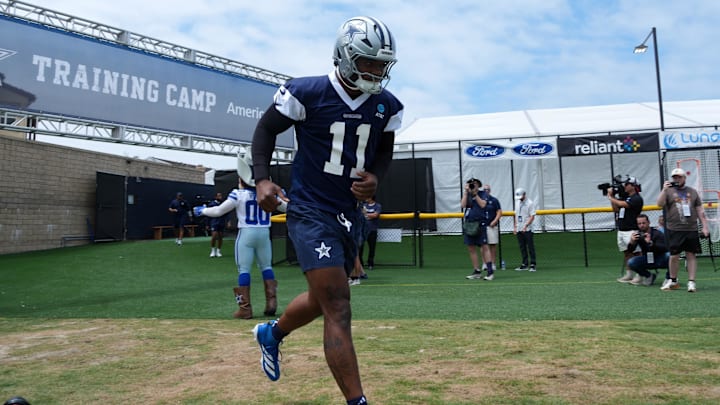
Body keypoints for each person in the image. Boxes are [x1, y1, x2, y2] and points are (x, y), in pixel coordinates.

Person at [249, 16, 402, 405]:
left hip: (349, 214)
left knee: (323, 299)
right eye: (368, 62)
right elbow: (266, 130)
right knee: (338, 305)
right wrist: (262, 179)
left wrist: (376, 178)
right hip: (311, 208)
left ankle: (273, 334)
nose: (376, 71)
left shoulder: (386, 105)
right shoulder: (308, 92)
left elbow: (384, 149)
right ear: (346, 56)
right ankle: (357, 401)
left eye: (381, 64)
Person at [194, 153, 287, 318]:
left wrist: (202, 211)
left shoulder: (238, 194)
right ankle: (271, 303)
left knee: (244, 269)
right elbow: (287, 208)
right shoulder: (268, 195)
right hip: (264, 233)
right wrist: (283, 199)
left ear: (242, 179)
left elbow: (218, 211)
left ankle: (245, 308)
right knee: (266, 267)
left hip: (246, 233)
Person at [657, 168, 710, 292]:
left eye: (679, 177)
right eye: (675, 177)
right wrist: (664, 190)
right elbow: (659, 204)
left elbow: (700, 210)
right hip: (674, 229)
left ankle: (691, 282)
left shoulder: (692, 192)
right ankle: (673, 280)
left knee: (691, 254)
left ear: (684, 178)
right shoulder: (668, 191)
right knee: (674, 256)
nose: (677, 179)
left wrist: (705, 226)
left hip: (691, 228)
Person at [609, 177, 644, 283]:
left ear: (633, 186)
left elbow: (622, 204)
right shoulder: (625, 197)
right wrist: (613, 197)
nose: (624, 186)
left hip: (632, 230)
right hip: (622, 229)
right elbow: (616, 208)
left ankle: (640, 274)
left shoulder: (636, 198)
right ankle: (629, 274)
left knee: (637, 252)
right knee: (627, 253)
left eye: (627, 184)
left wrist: (610, 196)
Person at [626, 214, 668, 286]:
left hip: (660, 258)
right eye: (639, 224)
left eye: (644, 223)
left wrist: (651, 243)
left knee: (669, 255)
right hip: (647, 259)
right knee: (631, 262)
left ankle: (669, 278)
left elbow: (664, 248)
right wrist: (631, 242)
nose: (642, 225)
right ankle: (649, 276)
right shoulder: (638, 235)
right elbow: (630, 251)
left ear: (649, 223)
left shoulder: (657, 233)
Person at [463, 178, 490, 280]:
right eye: (470, 184)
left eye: (474, 184)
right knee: (471, 248)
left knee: (484, 246)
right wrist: (466, 193)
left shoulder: (483, 194)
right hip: (469, 223)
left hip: (480, 223)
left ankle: (489, 270)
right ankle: (476, 270)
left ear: (478, 185)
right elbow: (463, 205)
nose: (472, 186)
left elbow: (483, 204)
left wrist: (475, 194)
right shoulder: (468, 194)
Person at [513, 188, 537, 271]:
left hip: (528, 228)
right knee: (522, 246)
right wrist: (515, 226)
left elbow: (532, 216)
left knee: (530, 246)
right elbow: (516, 215)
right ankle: (524, 263)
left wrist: (526, 225)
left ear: (524, 194)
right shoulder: (517, 203)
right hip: (519, 227)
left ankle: (533, 264)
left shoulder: (530, 203)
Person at [482, 184, 502, 272]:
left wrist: (495, 221)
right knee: (483, 245)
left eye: (488, 189)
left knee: (492, 245)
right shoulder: (480, 200)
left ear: (490, 190)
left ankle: (493, 263)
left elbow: (499, 212)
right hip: (483, 225)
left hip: (492, 225)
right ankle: (485, 263)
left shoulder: (494, 200)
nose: (486, 191)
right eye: (484, 189)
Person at [359, 196, 381, 270]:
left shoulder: (377, 206)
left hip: (372, 230)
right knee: (360, 247)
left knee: (372, 247)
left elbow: (375, 215)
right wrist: (368, 215)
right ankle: (360, 263)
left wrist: (366, 214)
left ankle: (370, 263)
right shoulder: (364, 205)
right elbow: (361, 214)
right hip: (363, 230)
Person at [208, 192, 228, 258]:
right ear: (216, 197)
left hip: (221, 221)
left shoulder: (223, 204)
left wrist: (228, 221)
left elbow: (226, 213)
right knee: (214, 236)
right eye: (219, 196)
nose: (220, 197)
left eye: (221, 196)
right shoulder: (212, 204)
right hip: (214, 221)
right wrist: (207, 223)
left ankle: (218, 251)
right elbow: (208, 213)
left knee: (220, 237)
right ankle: (213, 250)